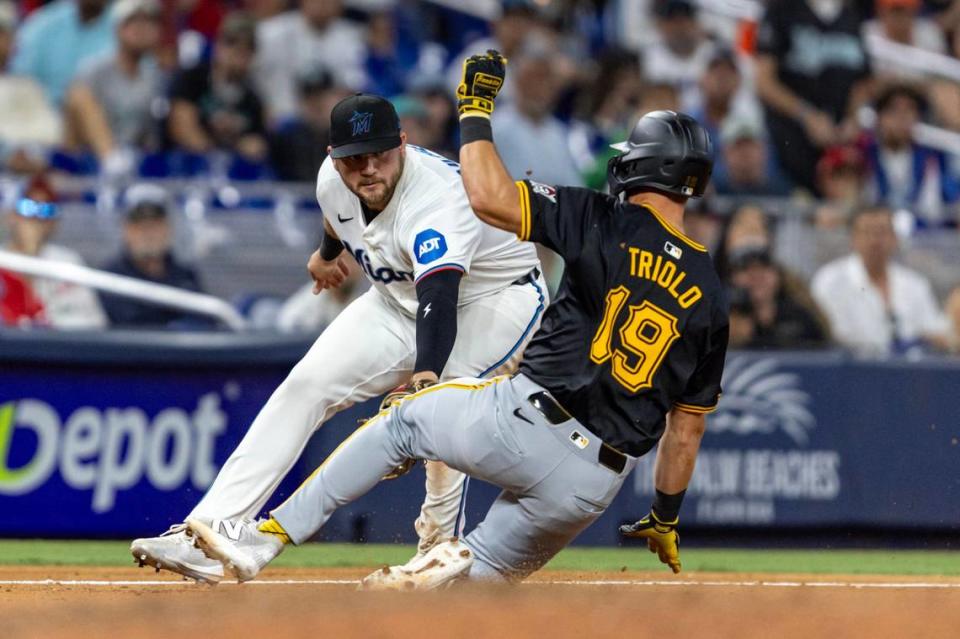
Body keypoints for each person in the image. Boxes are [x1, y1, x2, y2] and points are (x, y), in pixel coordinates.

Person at [183, 54, 728, 589]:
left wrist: (475, 109)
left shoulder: (599, 217)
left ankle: (269, 537)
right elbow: (686, 431)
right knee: (465, 596)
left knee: (403, 422)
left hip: (525, 424)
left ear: (636, 166)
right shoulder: (710, 294)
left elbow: (488, 198)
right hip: (593, 485)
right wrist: (665, 515)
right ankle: (441, 568)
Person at [130, 92, 546, 584]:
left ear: (404, 146)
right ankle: (211, 530)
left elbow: (440, 296)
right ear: (334, 157)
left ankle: (438, 552)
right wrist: (328, 252)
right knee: (305, 385)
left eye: (381, 154)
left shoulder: (438, 197)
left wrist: (425, 377)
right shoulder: (333, 180)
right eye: (355, 158)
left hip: (494, 297)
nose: (369, 168)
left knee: (442, 402)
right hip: (397, 295)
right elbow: (338, 214)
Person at [755, 0, 873, 193]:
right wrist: (806, 115)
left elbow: (864, 80)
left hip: (838, 142)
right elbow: (763, 82)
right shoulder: (782, 10)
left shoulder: (850, 16)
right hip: (789, 142)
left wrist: (853, 118)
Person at [811, 205, 949, 355]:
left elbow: (934, 331)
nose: (874, 241)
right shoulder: (830, 281)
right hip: (850, 370)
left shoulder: (915, 283)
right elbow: (826, 336)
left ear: (895, 238)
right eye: (867, 232)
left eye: (881, 232)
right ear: (853, 238)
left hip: (907, 371)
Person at [64, 0, 166, 177]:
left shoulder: (155, 76)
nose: (142, 29)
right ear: (118, 28)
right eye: (134, 22)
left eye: (150, 23)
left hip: (139, 160)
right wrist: (110, 157)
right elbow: (74, 117)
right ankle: (112, 159)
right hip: (91, 158)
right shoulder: (95, 69)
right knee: (79, 95)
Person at [1, 173, 107, 329]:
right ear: (12, 216)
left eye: (47, 210)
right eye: (28, 207)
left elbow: (93, 323)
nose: (37, 217)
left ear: (54, 223)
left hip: (55, 349)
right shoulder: (2, 259)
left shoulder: (67, 262)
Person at [98, 183, 207, 328]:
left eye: (155, 224)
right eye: (139, 225)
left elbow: (204, 323)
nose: (148, 233)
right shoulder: (108, 280)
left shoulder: (186, 277)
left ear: (169, 228)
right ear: (126, 230)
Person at [166, 12, 268, 164]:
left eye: (248, 47)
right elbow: (181, 128)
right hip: (186, 165)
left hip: (234, 172)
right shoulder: (192, 78)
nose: (239, 52)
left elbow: (258, 143)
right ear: (217, 45)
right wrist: (215, 153)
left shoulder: (253, 97)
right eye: (231, 43)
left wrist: (246, 146)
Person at [254, 0, 368, 123]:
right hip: (282, 115)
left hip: (330, 119)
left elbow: (355, 85)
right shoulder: (271, 32)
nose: (322, 5)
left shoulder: (352, 36)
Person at [862, 84, 959, 226]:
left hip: (931, 239)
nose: (901, 118)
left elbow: (952, 194)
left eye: (909, 110)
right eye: (893, 111)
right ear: (879, 118)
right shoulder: (863, 156)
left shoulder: (935, 156)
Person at [492, 36, 583, 186]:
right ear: (518, 81)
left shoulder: (557, 133)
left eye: (545, 79)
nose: (539, 88)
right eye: (532, 78)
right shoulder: (497, 128)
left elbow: (575, 189)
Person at [12, 0, 115, 105]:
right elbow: (20, 77)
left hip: (102, 113)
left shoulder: (121, 27)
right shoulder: (43, 24)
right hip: (42, 110)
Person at [727, 245, 828, 349]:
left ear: (778, 276)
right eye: (746, 270)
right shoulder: (721, 318)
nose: (756, 277)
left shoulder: (799, 316)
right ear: (733, 278)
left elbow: (827, 353)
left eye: (763, 269)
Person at [268, 68, 351, 183]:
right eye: (310, 97)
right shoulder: (284, 137)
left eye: (322, 96)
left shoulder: (350, 136)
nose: (316, 103)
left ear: (336, 96)